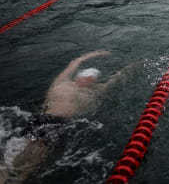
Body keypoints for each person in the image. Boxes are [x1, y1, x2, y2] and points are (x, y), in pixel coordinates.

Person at [1, 51, 120, 183]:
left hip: (59, 123)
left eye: (91, 80)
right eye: (87, 77)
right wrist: (94, 54)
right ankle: (5, 176)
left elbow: (111, 83)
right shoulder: (62, 82)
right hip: (45, 118)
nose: (88, 81)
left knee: (36, 158)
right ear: (78, 77)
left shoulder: (91, 91)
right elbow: (74, 63)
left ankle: (17, 179)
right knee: (20, 149)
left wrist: (129, 68)